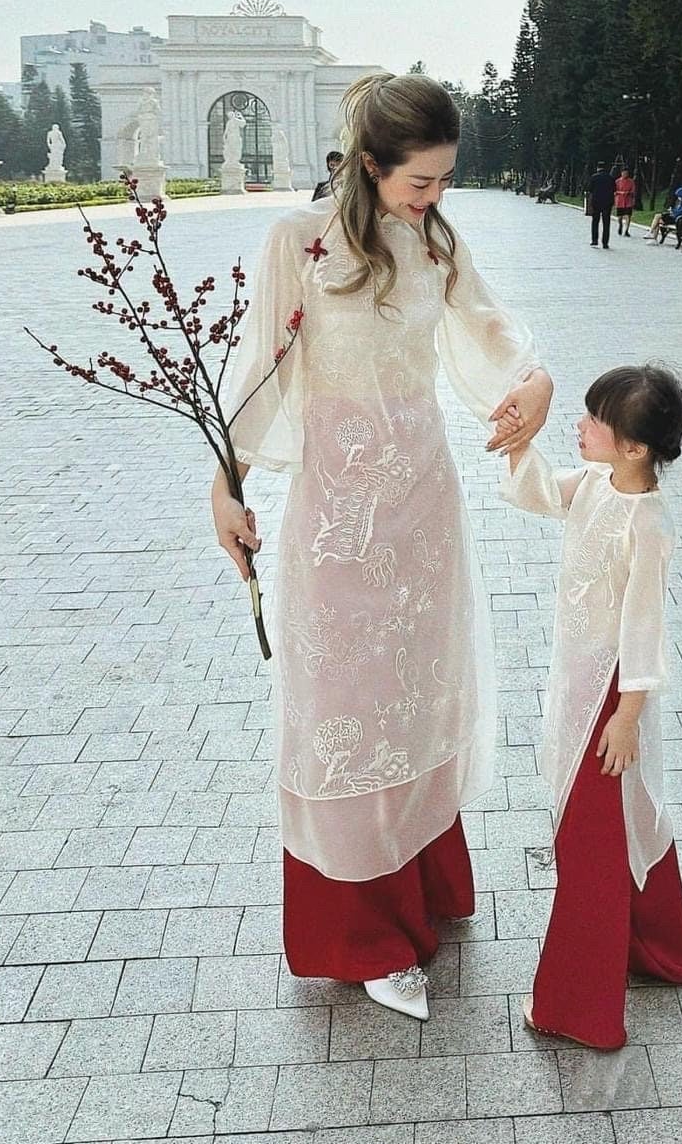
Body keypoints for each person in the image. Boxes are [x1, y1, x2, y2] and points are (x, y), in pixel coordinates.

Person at [212, 73, 554, 1022]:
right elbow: (260, 375)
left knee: (418, 691)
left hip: (424, 508)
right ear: (371, 164)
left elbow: (489, 332)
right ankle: (360, 934)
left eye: (445, 180)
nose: (433, 198)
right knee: (345, 706)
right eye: (419, 183)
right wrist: (225, 485)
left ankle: (426, 885)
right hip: (338, 520)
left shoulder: (437, 240)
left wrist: (536, 384)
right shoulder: (302, 245)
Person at [499, 364, 682, 1050]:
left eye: (595, 421)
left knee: (590, 842)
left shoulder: (647, 526)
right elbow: (536, 494)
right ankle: (665, 949)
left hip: (612, 693)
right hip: (578, 678)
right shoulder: (594, 483)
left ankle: (576, 1006)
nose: (580, 427)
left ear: (635, 448)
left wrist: (627, 716)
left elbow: (645, 628)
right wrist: (517, 441)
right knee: (631, 819)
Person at [587, 161, 616, 249]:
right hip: (607, 202)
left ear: (597, 168)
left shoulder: (594, 177)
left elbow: (590, 189)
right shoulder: (610, 178)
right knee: (606, 222)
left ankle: (594, 240)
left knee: (595, 221)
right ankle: (605, 243)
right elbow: (614, 189)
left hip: (596, 202)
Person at [613, 166, 637, 236]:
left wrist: (629, 193)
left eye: (627, 173)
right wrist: (621, 193)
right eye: (624, 173)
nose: (625, 174)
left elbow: (633, 191)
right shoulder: (617, 181)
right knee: (620, 217)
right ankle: (620, 225)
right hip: (620, 201)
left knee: (628, 216)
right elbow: (614, 191)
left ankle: (626, 230)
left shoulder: (631, 181)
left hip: (628, 201)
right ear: (621, 173)